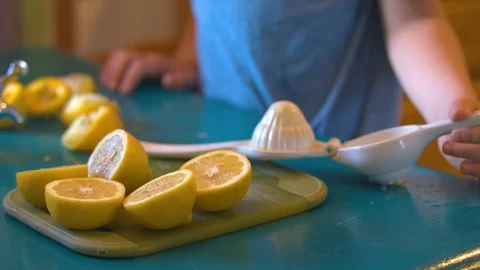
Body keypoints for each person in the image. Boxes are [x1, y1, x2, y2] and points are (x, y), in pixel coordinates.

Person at [99, 0, 480, 179]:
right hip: (222, 165)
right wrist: (189, 59)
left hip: (343, 180)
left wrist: (451, 117)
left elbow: (413, 19)